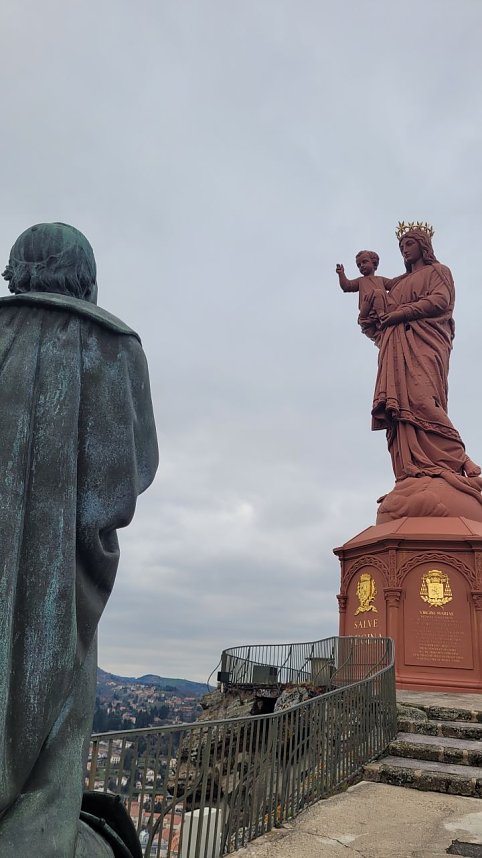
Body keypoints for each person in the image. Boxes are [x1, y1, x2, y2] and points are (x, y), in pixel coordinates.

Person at [0, 223, 158, 856]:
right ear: (86, 275)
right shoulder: (112, 345)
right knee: (54, 716)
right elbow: (130, 473)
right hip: (54, 583)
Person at [371, 222, 482, 512]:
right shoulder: (394, 283)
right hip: (396, 350)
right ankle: (413, 470)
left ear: (423, 245)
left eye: (409, 244)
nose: (404, 250)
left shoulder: (438, 272)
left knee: (423, 400)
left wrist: (399, 314)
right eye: (401, 246)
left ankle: (459, 459)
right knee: (402, 410)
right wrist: (372, 313)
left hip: (426, 343)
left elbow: (440, 301)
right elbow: (379, 321)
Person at [336, 250, 392, 341]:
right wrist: (341, 274)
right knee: (377, 292)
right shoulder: (361, 281)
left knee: (379, 294)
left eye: (364, 262)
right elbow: (347, 286)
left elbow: (394, 283)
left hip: (380, 307)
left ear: (374, 263)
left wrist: (407, 275)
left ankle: (382, 316)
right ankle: (382, 316)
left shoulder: (380, 279)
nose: (361, 266)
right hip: (367, 309)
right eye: (359, 265)